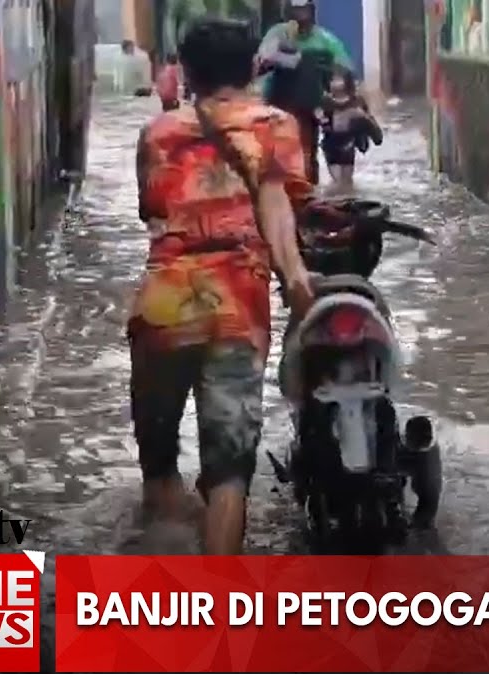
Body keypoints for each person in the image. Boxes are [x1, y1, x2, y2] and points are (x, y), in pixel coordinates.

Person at [131, 18, 316, 555]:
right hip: (238, 305)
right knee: (229, 472)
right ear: (254, 67)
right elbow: (280, 208)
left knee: (160, 468)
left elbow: (154, 211)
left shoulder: (158, 132)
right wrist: (296, 277)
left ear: (186, 71)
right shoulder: (275, 126)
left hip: (163, 302)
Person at [256, 0, 354, 185]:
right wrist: (284, 55)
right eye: (296, 10)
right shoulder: (277, 34)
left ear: (312, 11)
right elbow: (262, 59)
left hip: (308, 106)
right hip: (278, 105)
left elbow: (344, 69)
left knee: (307, 153)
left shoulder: (325, 40)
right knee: (275, 156)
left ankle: (308, 192)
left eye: (304, 10)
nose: (301, 16)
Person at [317, 67, 381, 191]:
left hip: (349, 144)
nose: (335, 83)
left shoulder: (356, 100)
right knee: (337, 180)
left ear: (347, 81)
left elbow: (368, 120)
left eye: (338, 79)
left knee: (347, 181)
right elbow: (319, 118)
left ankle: (348, 202)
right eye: (333, 80)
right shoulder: (325, 101)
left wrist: (369, 133)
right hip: (331, 144)